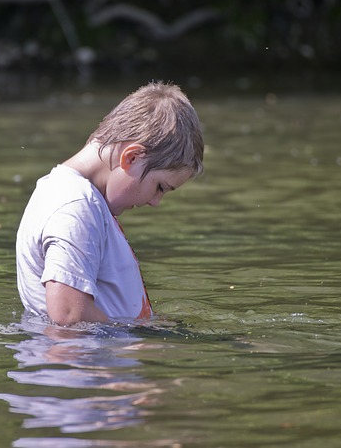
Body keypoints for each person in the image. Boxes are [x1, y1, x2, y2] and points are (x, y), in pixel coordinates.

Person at [16, 81, 204, 326]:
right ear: (132, 156)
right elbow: (68, 317)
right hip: (84, 363)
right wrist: (147, 342)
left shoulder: (85, 201)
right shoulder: (74, 206)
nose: (156, 202)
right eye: (160, 187)